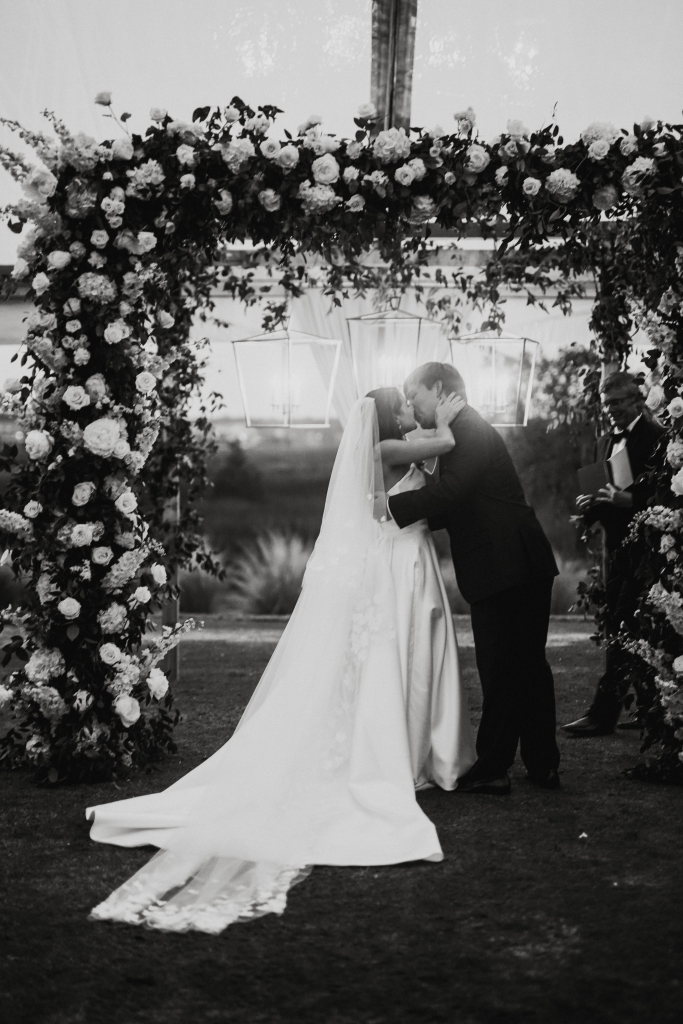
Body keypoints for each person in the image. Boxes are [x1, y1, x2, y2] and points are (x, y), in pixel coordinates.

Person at [85, 391, 476, 935]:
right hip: (388, 561)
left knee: (366, 667)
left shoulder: (390, 448)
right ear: (389, 420)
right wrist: (449, 421)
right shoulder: (390, 446)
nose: (412, 413)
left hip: (387, 560)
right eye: (405, 407)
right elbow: (449, 443)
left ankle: (392, 741)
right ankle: (388, 750)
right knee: (375, 664)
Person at [387, 362, 560, 795]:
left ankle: (495, 767)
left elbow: (454, 492)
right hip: (512, 564)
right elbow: (455, 506)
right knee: (523, 665)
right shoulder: (463, 429)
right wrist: (417, 521)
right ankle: (541, 764)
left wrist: (393, 510)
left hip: (508, 566)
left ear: (439, 388)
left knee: (504, 666)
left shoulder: (469, 429)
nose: (411, 405)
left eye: (414, 395)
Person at [563, 371, 666, 737]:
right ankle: (653, 708)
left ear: (637, 401)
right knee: (629, 627)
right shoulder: (603, 441)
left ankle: (603, 714)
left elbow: (666, 493)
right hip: (615, 550)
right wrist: (587, 505)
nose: (611, 411)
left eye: (618, 403)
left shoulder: (657, 438)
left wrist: (628, 499)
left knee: (624, 624)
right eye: (607, 405)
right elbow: (603, 493)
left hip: (648, 551)